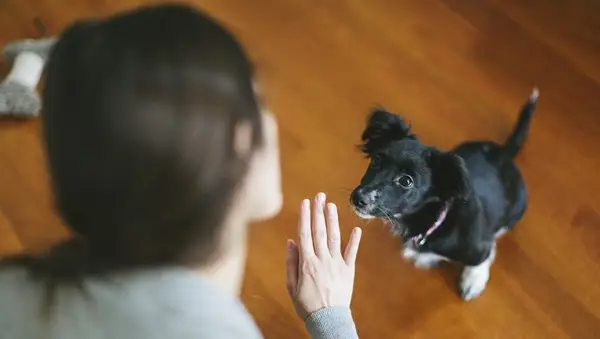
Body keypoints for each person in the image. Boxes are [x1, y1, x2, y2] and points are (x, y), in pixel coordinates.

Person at [0, 4, 363, 339]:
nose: (271, 121)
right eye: (257, 101)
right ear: (240, 143)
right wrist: (333, 323)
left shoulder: (12, 288)